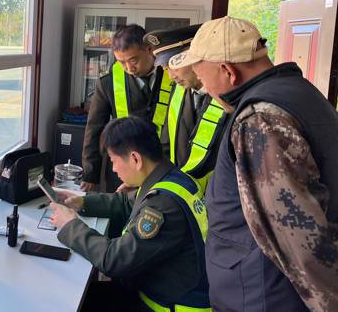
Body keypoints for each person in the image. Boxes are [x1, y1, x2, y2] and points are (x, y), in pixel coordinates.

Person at [170, 16, 338, 311]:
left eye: (202, 77)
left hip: (262, 296)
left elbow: (298, 236)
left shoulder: (260, 119)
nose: (205, 88)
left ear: (228, 71)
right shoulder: (301, 92)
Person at [51, 116, 210, 312]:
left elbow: (114, 259)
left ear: (135, 159)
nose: (113, 169)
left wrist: (70, 225)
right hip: (155, 291)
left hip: (163, 306)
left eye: (113, 161)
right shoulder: (171, 177)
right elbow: (127, 202)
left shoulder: (164, 206)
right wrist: (82, 202)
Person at [81, 24, 173, 193]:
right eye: (122, 62)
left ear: (149, 50)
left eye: (133, 60)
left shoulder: (174, 76)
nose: (129, 69)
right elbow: (94, 129)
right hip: (122, 170)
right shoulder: (108, 83)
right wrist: (90, 173)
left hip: (162, 167)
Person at [145, 25, 227, 190]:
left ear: (194, 55)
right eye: (165, 68)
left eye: (174, 64)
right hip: (182, 192)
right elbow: (166, 145)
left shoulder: (227, 95)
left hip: (215, 195)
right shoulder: (178, 91)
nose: (171, 75)